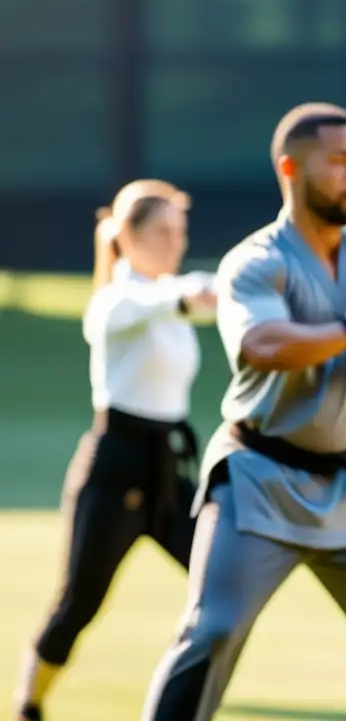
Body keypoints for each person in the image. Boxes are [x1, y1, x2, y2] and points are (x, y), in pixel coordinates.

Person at [140, 102, 346, 721]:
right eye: (341, 162)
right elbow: (260, 345)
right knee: (211, 629)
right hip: (257, 477)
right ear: (291, 168)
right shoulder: (258, 260)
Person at [13, 180, 216, 721]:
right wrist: (190, 291)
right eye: (164, 232)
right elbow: (150, 303)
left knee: (223, 583)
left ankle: (187, 700)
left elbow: (197, 298)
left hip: (169, 470)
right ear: (127, 236)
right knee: (79, 602)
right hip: (114, 467)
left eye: (182, 232)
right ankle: (29, 705)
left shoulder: (169, 298)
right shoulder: (116, 301)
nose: (176, 243)